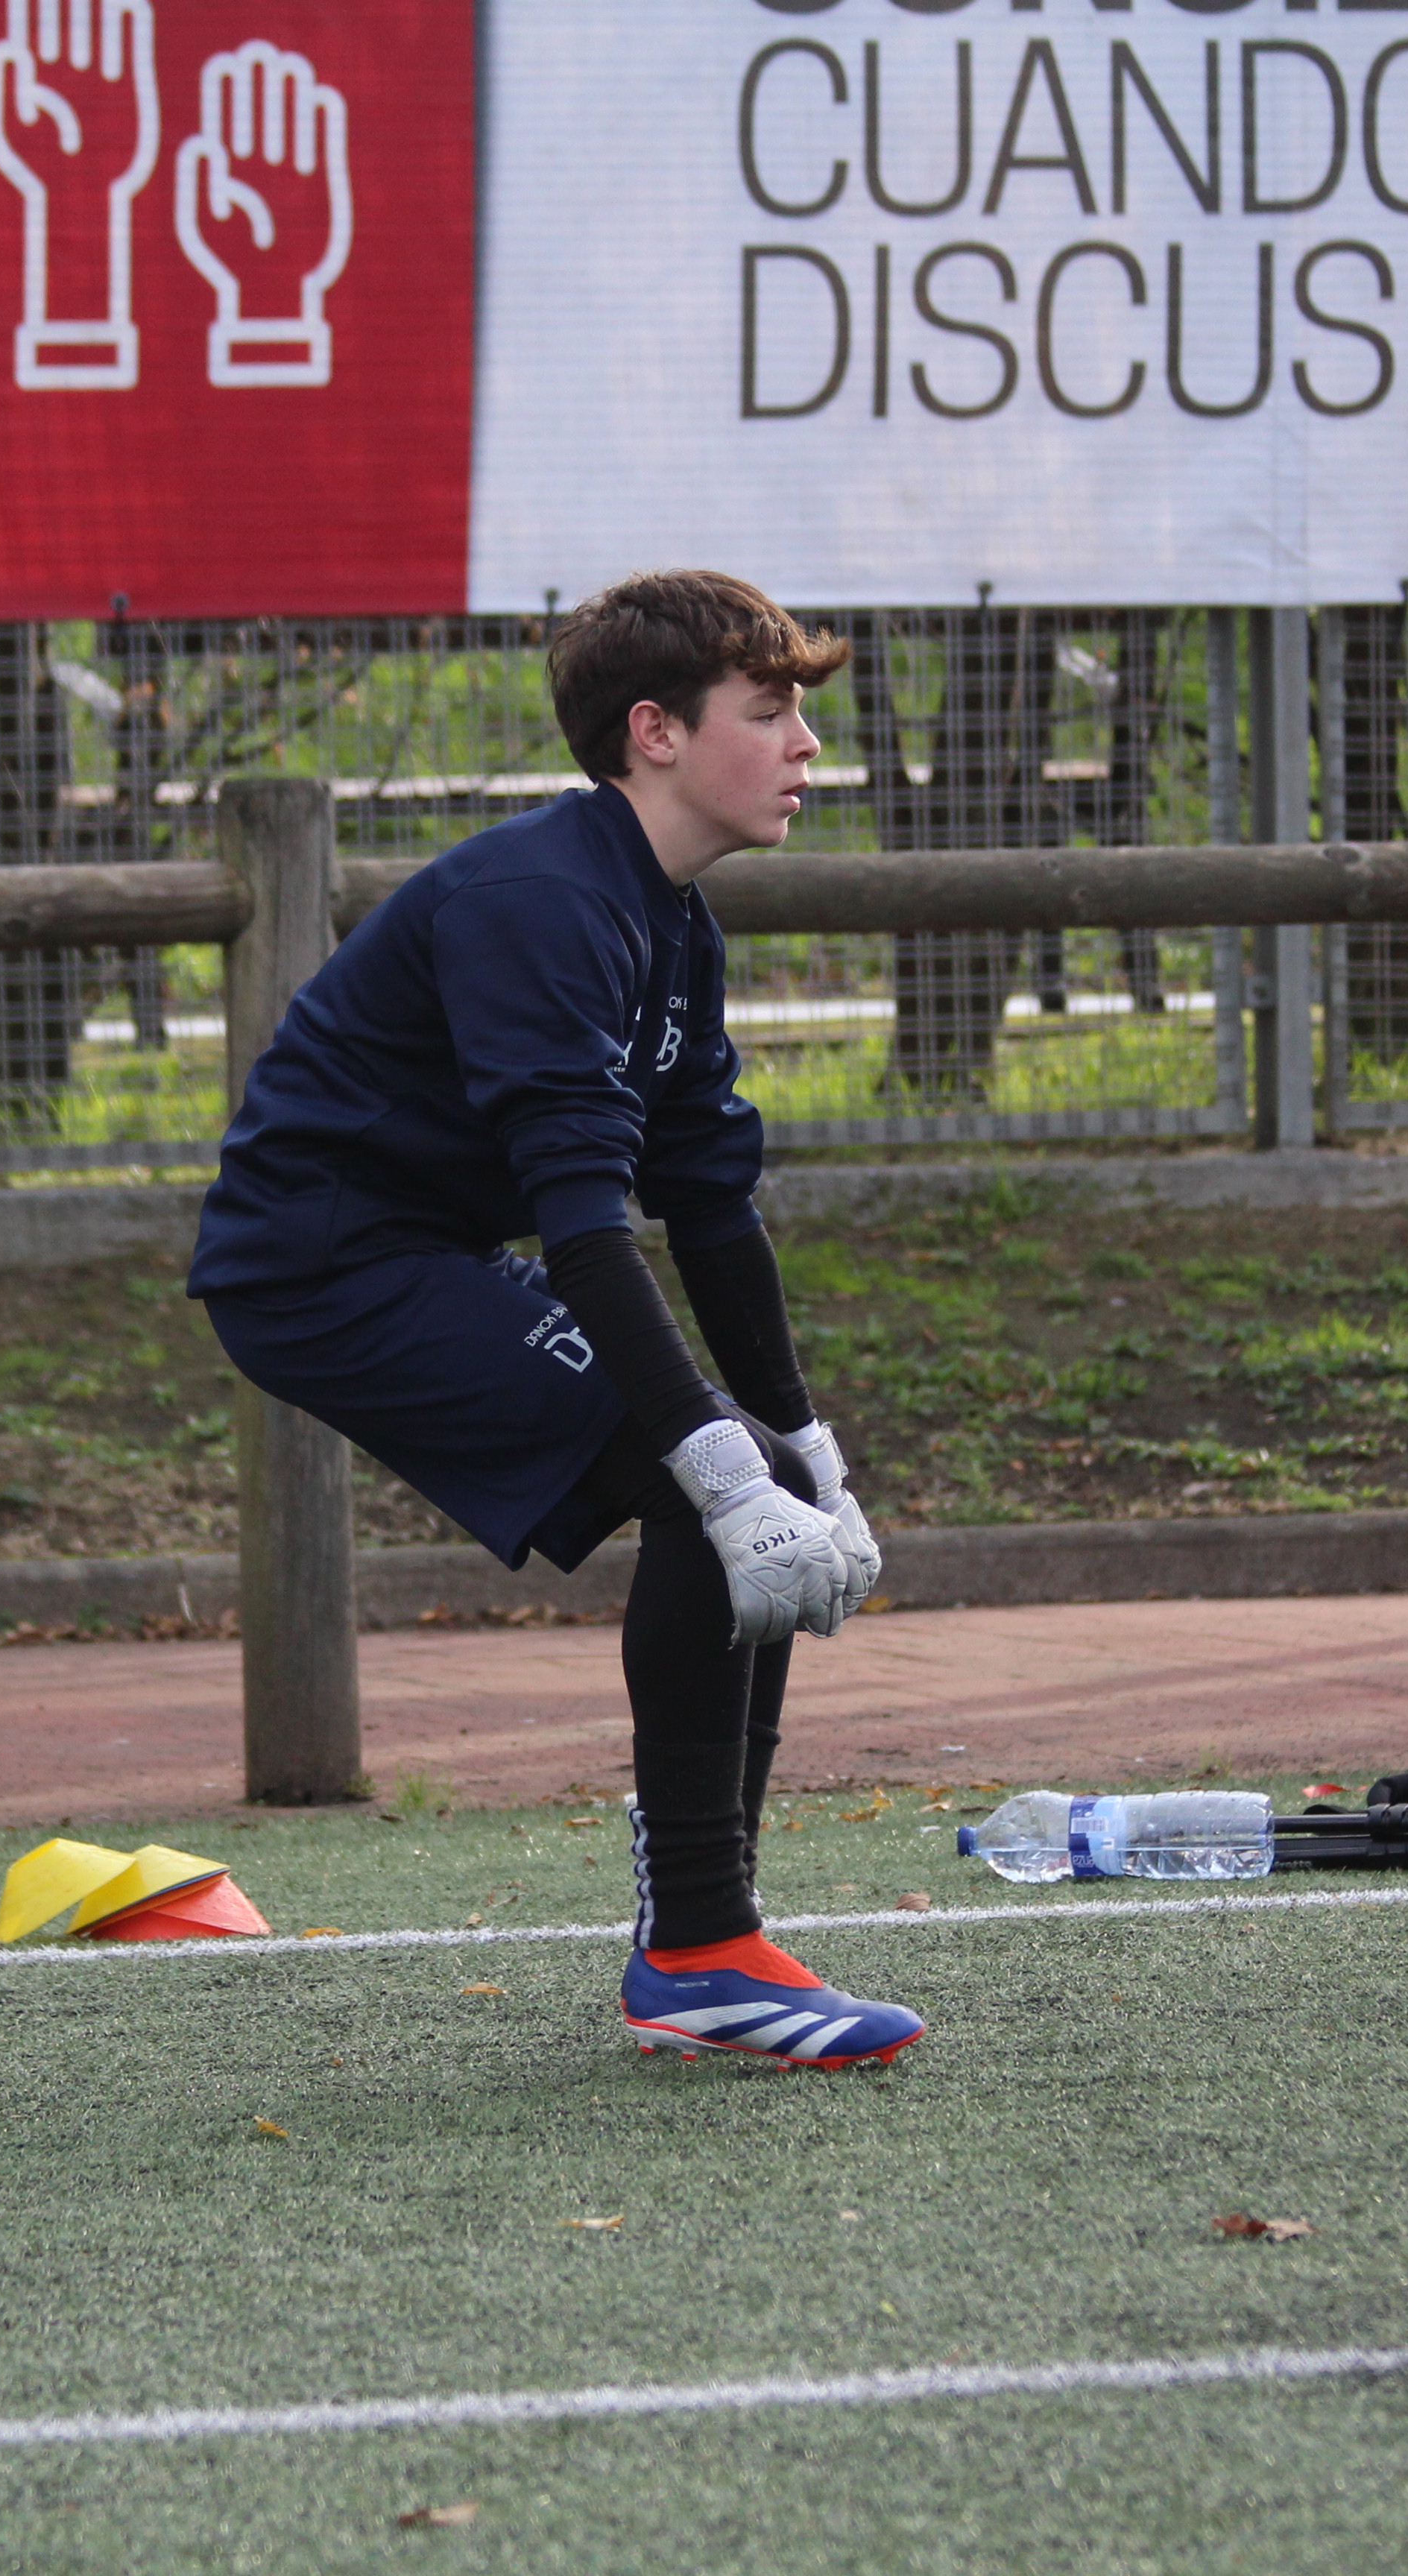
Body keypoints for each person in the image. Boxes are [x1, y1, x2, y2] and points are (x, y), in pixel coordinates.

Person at [189, 570, 921, 2067]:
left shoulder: (671, 922)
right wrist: (723, 1469)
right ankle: (699, 1953)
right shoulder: (542, 901)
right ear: (657, 732)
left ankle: (713, 1942)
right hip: (320, 1267)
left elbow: (708, 1207)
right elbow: (586, 1224)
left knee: (759, 1479)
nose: (806, 746)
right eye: (769, 712)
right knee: (705, 1482)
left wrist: (810, 1458)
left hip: (415, 1250)